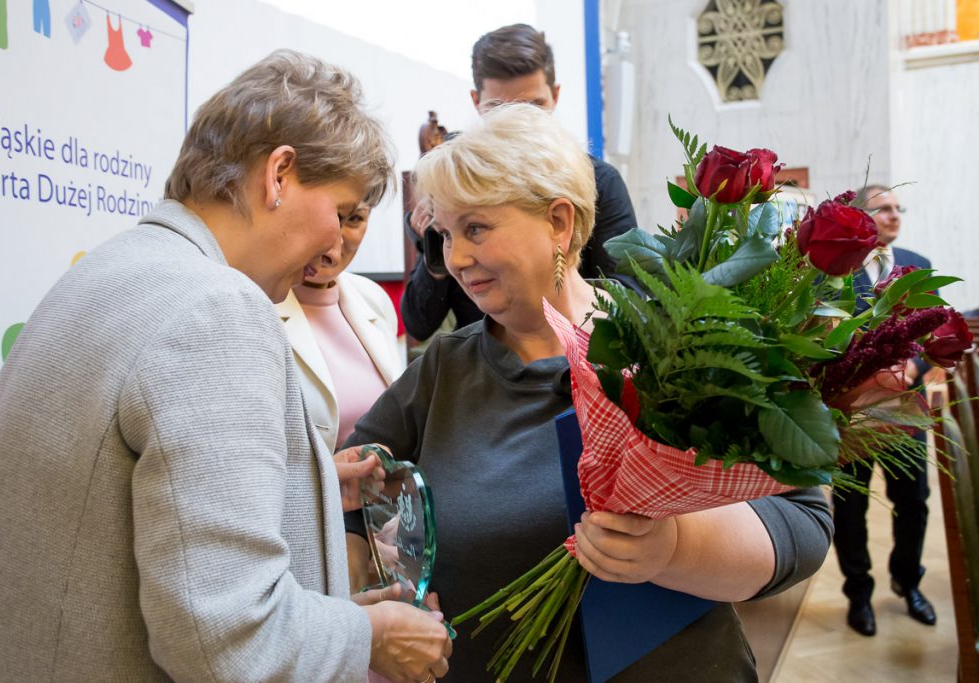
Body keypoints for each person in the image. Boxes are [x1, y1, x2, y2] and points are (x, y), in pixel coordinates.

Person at [0, 50, 451, 683]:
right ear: (279, 175)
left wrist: (313, 488)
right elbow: (228, 643)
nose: (335, 244)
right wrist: (370, 637)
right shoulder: (217, 310)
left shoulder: (110, 272)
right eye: (340, 209)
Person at [346, 104, 833, 681]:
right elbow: (351, 492)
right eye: (446, 235)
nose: (455, 259)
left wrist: (673, 548)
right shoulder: (444, 369)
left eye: (475, 229)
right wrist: (386, 585)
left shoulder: (673, 340)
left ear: (559, 221)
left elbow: (802, 520)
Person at [400, 23, 638, 341]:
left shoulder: (600, 182)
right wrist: (433, 247)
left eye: (533, 108)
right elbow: (418, 323)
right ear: (475, 101)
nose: (517, 123)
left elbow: (630, 300)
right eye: (498, 109)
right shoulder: (454, 188)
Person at [834, 185, 937, 637]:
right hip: (852, 408)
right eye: (884, 209)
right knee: (850, 504)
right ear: (861, 217)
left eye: (899, 208)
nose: (895, 215)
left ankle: (908, 581)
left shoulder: (918, 265)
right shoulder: (836, 269)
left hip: (904, 405)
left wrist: (914, 368)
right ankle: (858, 593)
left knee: (913, 500)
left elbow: (935, 330)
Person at [277, 198, 405, 455]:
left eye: (354, 219)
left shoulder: (372, 297)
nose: (335, 239)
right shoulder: (257, 304)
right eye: (329, 215)